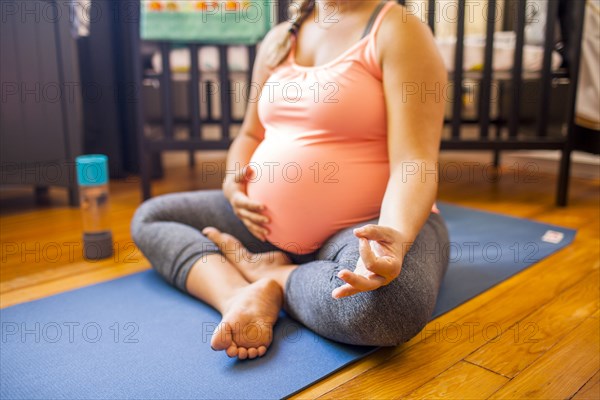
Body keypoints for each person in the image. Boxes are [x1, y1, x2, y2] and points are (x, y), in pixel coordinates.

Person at [131, 0, 450, 360]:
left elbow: (415, 162)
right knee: (152, 217)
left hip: (370, 227)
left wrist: (396, 238)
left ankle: (276, 277)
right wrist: (233, 182)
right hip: (260, 223)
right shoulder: (280, 38)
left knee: (386, 307)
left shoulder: (398, 29)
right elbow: (250, 134)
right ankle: (238, 295)